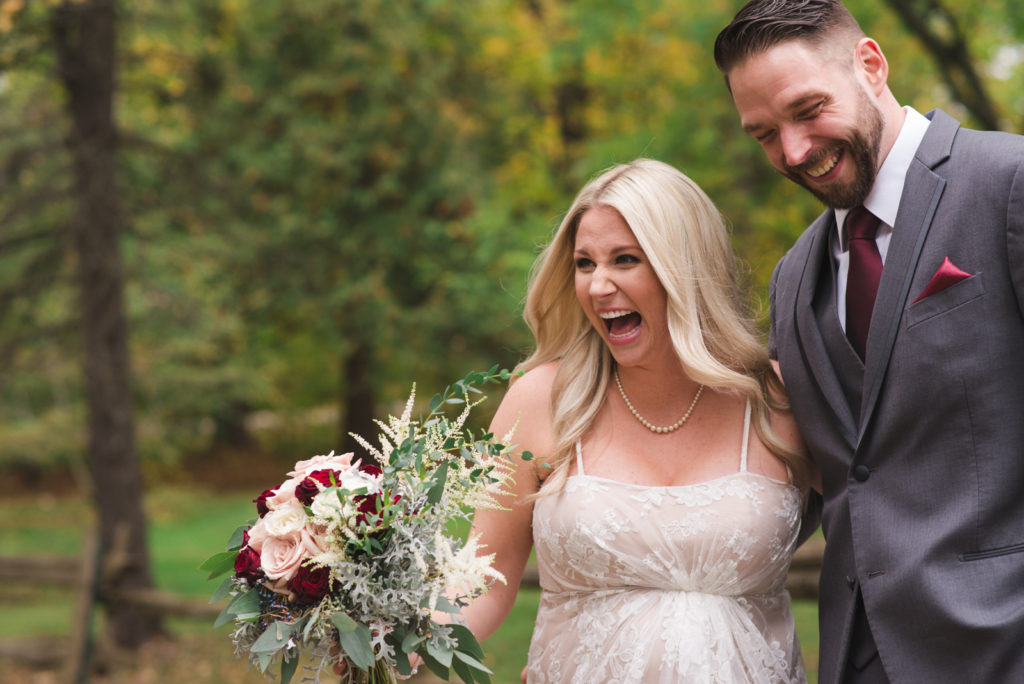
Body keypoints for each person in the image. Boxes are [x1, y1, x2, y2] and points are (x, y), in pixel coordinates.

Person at [713, 2, 1024, 682]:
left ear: (871, 64)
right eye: (764, 134)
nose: (793, 152)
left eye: (808, 109)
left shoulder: (1008, 183)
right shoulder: (793, 278)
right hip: (858, 654)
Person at [462, 158, 817, 683]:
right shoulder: (538, 400)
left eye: (624, 260)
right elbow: (482, 579)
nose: (598, 286)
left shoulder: (781, 399)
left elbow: (882, 538)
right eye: (585, 264)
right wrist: (382, 625)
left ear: (685, 266)